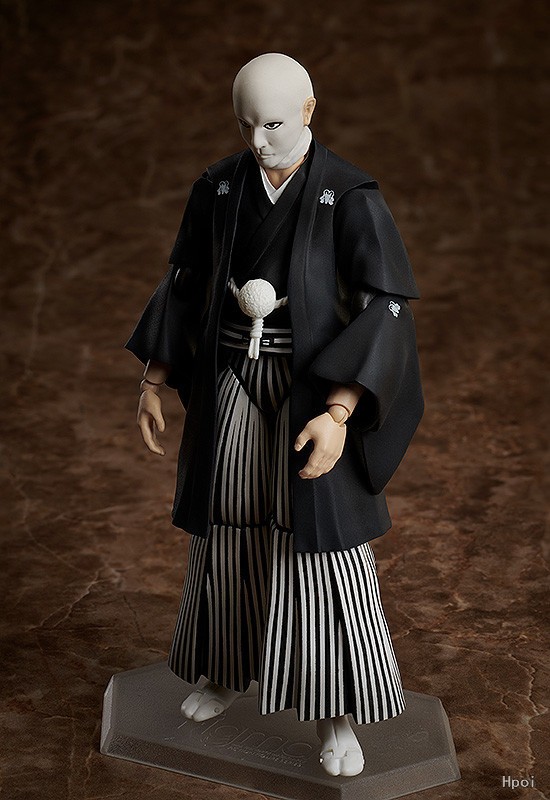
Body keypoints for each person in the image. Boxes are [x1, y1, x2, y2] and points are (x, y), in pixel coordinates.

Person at [126, 53, 423, 778]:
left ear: (310, 112)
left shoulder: (350, 195)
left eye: (275, 124)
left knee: (317, 546)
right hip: (232, 374)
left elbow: (385, 305)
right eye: (246, 125)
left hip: (312, 388)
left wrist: (341, 411)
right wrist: (154, 377)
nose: (258, 141)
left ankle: (334, 712)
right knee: (228, 525)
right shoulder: (219, 186)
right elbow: (185, 280)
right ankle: (226, 668)